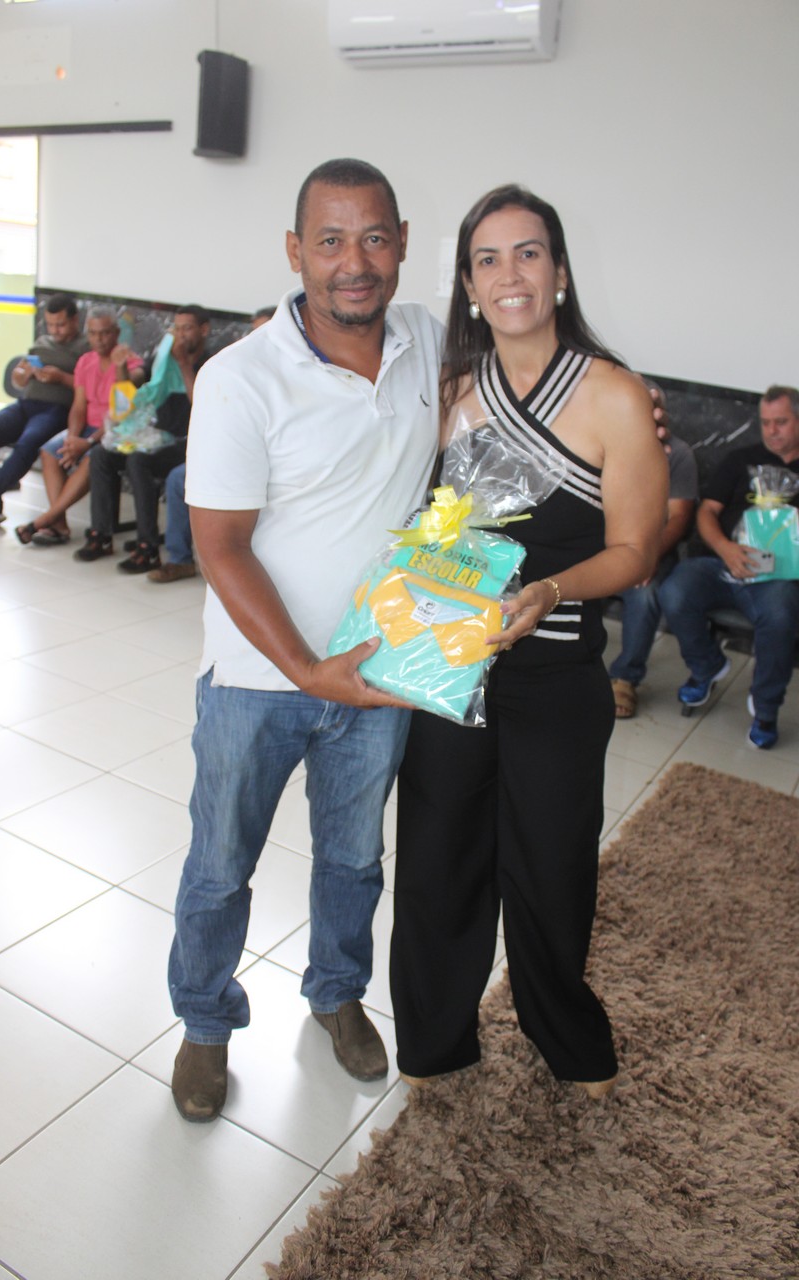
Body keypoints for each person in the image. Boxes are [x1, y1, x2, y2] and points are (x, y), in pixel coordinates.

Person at [167, 159, 444, 1122]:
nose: (353, 262)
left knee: (355, 861)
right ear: (296, 251)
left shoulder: (426, 340)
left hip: (377, 673)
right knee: (219, 867)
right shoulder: (240, 378)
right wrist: (305, 669)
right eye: (329, 240)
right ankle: (205, 1022)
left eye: (373, 237)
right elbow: (220, 547)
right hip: (257, 680)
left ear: (401, 243)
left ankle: (335, 993)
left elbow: (522, 370)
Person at [389, 184, 668, 1099]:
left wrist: (549, 587)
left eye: (528, 253)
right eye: (488, 259)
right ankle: (434, 1039)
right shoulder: (447, 391)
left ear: (559, 272)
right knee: (437, 858)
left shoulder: (615, 394)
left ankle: (564, 1035)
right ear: (469, 286)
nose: (509, 274)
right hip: (451, 662)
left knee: (551, 867)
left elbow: (634, 551)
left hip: (557, 673)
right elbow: (422, 525)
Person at [659, 385, 799, 750]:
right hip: (721, 562)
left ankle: (765, 708)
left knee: (781, 615)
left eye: (781, 422)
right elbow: (707, 511)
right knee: (674, 590)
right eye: (765, 422)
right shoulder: (740, 460)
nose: (771, 430)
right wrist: (726, 549)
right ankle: (707, 666)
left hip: (778, 578)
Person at [73, 305, 210, 573]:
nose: (180, 335)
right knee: (101, 454)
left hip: (188, 442)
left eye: (187, 329)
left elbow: (204, 405)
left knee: (139, 460)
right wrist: (121, 368)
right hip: (155, 435)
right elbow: (134, 385)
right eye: (177, 328)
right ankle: (101, 535)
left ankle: (147, 547)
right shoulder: (164, 356)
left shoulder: (212, 362)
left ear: (204, 330)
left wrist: (184, 364)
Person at [147, 309, 276, 585]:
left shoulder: (286, 373)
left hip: (270, 458)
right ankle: (180, 559)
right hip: (233, 448)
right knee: (177, 477)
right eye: (254, 332)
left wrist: (184, 366)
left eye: (266, 331)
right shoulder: (236, 365)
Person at [14, 307, 144, 547]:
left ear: (116, 333)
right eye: (93, 334)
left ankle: (44, 520)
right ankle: (59, 524)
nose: (99, 339)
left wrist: (88, 442)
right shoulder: (86, 361)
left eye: (105, 333)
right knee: (49, 452)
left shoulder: (131, 362)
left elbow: (121, 412)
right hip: (86, 429)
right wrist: (72, 439)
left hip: (116, 432)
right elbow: (79, 406)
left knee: (93, 458)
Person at [608, 384, 698, 717]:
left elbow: (679, 517)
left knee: (644, 593)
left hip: (651, 546)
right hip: (602, 543)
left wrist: (646, 555)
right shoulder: (606, 444)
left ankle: (625, 678)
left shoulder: (678, 454)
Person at [0, 293, 88, 522]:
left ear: (74, 320)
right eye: (50, 325)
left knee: (28, 443)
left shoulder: (86, 348)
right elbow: (19, 378)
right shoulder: (41, 343)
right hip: (25, 404)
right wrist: (22, 375)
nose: (55, 331)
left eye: (60, 325)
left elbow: (91, 387)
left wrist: (61, 378)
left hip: (55, 409)